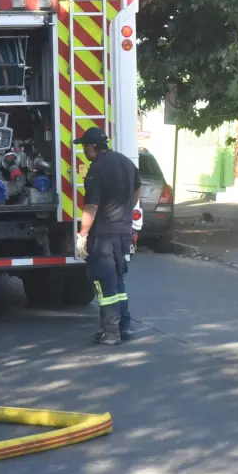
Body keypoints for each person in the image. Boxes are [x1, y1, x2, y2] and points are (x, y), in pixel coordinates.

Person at [75, 127, 141, 345]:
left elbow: (92, 205)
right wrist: (126, 208)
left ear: (93, 147)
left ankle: (111, 333)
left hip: (103, 234)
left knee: (106, 284)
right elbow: (138, 189)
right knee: (119, 279)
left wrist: (82, 234)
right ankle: (125, 327)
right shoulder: (125, 162)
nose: (84, 150)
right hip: (123, 231)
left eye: (85, 147)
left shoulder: (96, 169)